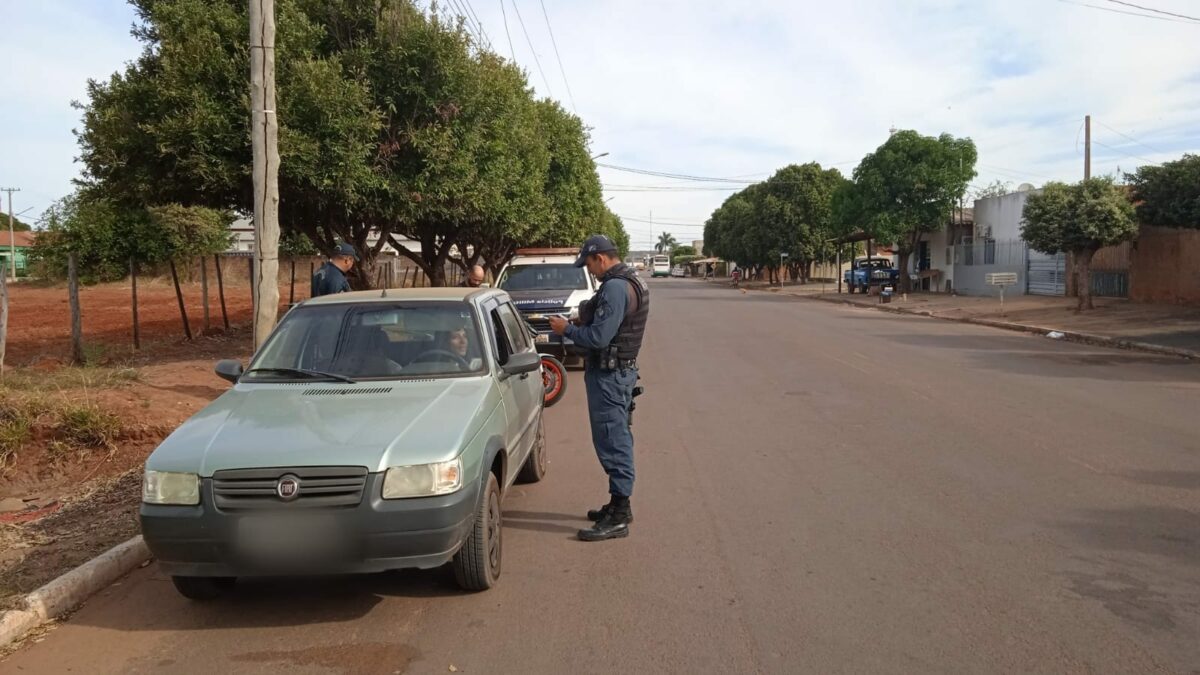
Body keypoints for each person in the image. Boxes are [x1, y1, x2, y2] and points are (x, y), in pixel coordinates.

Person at [548, 235, 649, 542]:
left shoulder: (616, 287)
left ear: (601, 258)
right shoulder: (630, 280)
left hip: (610, 377)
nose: (590, 271)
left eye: (589, 264)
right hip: (618, 374)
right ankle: (619, 505)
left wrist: (568, 329)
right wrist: (583, 319)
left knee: (612, 440)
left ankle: (619, 515)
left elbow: (598, 338)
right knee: (615, 436)